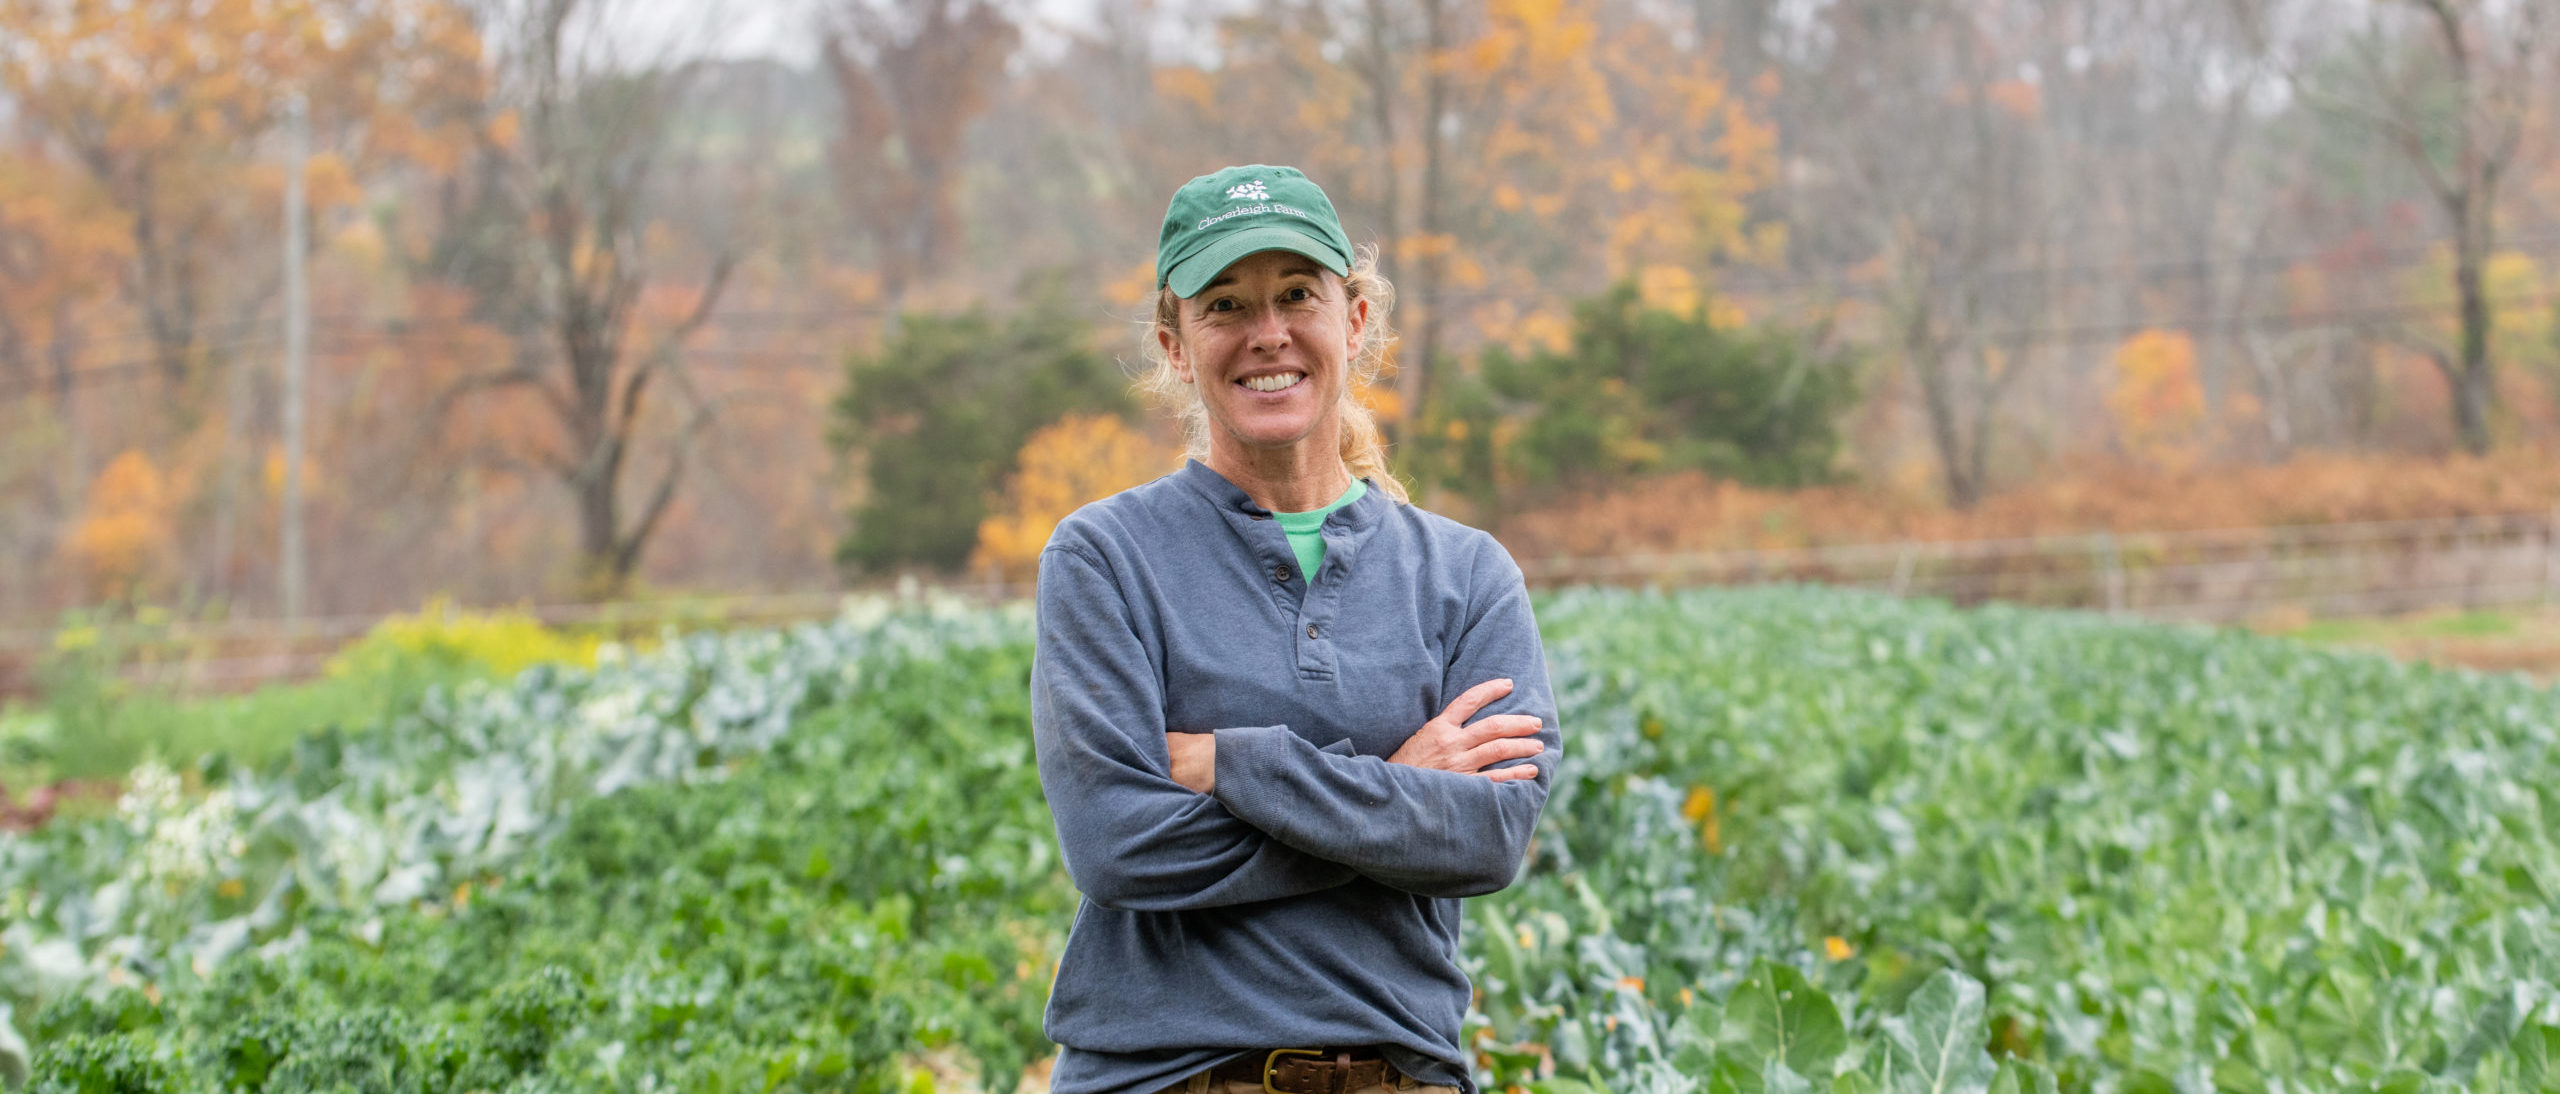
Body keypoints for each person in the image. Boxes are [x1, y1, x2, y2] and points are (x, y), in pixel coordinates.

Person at [1029, 164, 1562, 1094]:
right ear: (1173, 340)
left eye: (1297, 294)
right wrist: (1397, 794)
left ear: (1353, 320)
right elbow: (1118, 845)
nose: (1266, 333)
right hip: (1163, 1078)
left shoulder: (1467, 574)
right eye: (1225, 304)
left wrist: (1238, 767)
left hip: (1402, 1076)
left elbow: (1484, 838)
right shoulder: (1105, 558)